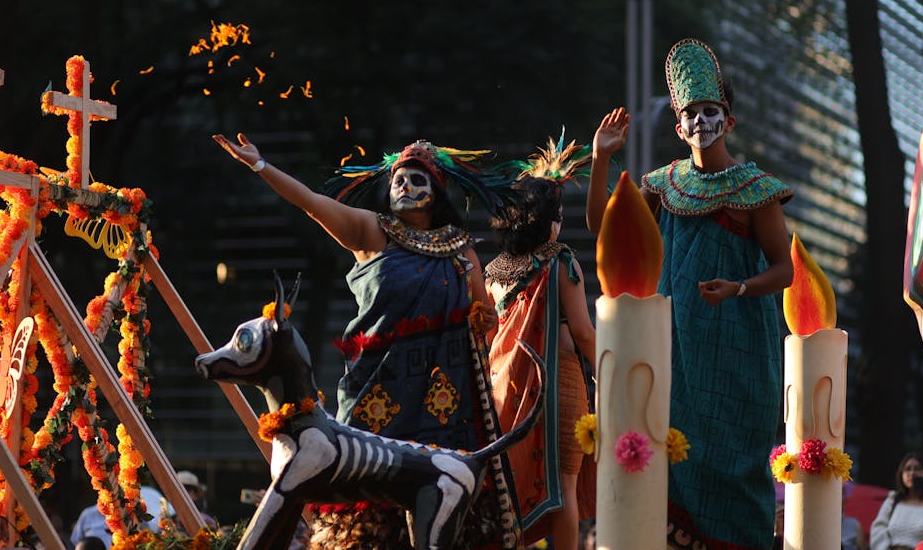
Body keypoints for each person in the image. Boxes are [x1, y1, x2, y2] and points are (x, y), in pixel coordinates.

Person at [213, 134, 520, 548]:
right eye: (398, 181)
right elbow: (309, 201)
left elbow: (485, 319)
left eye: (416, 181)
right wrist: (260, 165)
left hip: (445, 405)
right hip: (377, 391)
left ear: (436, 193)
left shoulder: (460, 249)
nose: (405, 188)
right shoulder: (372, 231)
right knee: (365, 520)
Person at [586, 38, 793, 548]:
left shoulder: (756, 188)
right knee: (671, 455)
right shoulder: (660, 185)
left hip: (739, 349)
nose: (701, 121)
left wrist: (740, 287)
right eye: (690, 115)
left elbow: (785, 269)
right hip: (674, 349)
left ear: (730, 120)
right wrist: (599, 160)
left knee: (733, 469)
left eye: (711, 111)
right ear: (678, 128)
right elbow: (603, 233)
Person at [486, 137, 597, 550]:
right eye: (560, 214)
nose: (562, 223)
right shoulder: (560, 260)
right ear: (545, 221)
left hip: (507, 390)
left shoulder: (492, 271)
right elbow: (584, 333)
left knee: (514, 488)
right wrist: (612, 373)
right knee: (562, 490)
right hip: (558, 386)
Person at [869, 452, 923, 550]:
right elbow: (878, 529)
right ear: (901, 473)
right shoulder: (893, 501)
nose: (912, 473)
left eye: (917, 469)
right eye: (907, 469)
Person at [69, 485, 175, 549]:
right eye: (107, 491)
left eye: (116, 491)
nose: (112, 496)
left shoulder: (133, 514)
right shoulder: (88, 514)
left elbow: (147, 538)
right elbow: (76, 543)